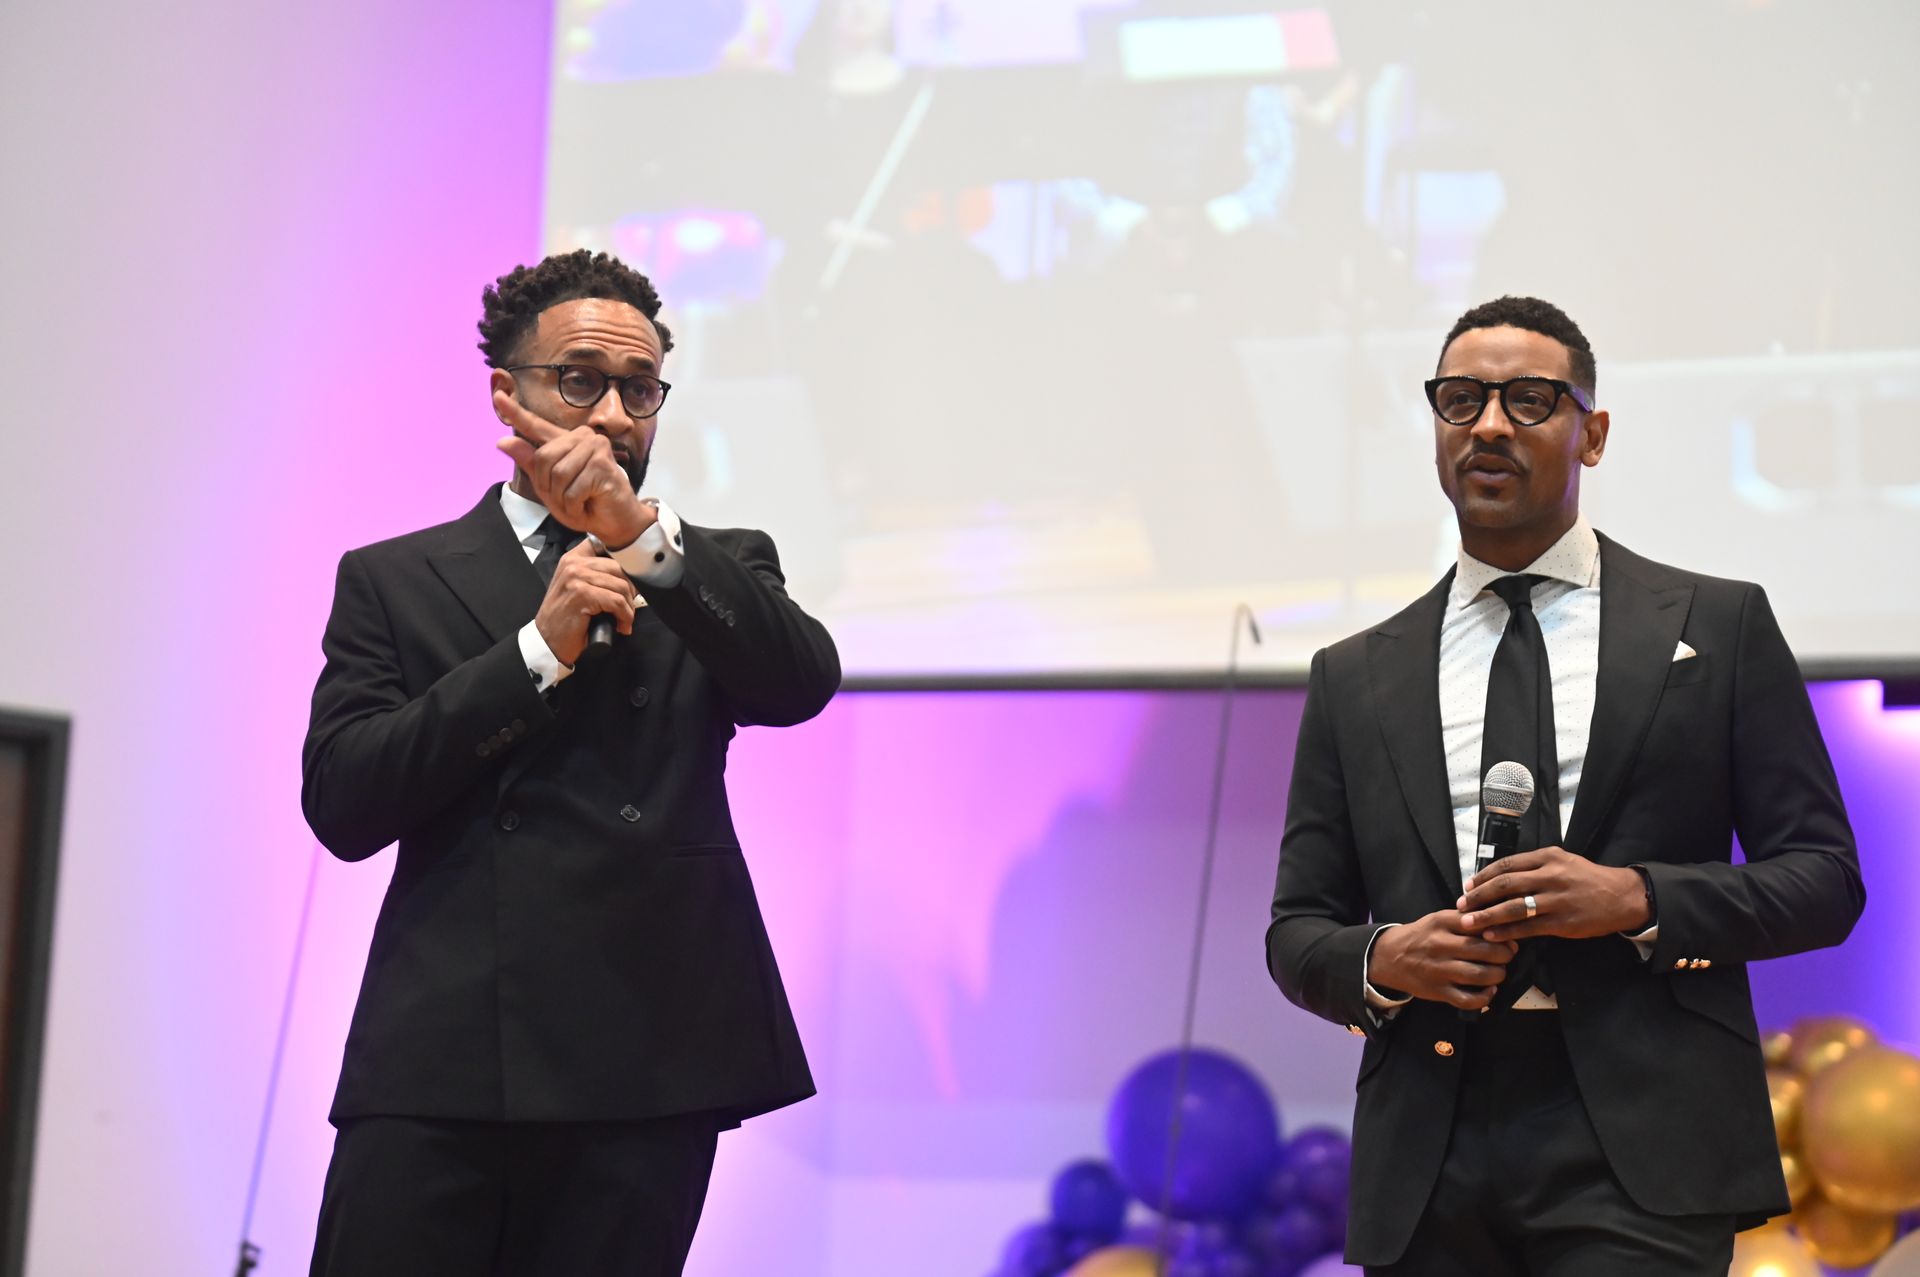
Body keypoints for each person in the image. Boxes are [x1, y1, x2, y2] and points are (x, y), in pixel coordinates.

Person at [1265, 295, 1864, 1274]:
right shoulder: (1356, 673)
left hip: (1645, 1140)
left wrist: (1638, 899)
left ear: (1593, 433)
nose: (1490, 425)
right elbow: (1297, 928)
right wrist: (1388, 956)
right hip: (1429, 1149)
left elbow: (1825, 878)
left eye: (1530, 399)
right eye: (1461, 400)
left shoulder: (1716, 627)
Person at [300, 249, 839, 1276]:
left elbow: (798, 683)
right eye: (580, 380)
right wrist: (531, 656)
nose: (614, 416)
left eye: (640, 388)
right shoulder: (395, 578)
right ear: (507, 393)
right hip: (445, 1050)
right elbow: (345, 800)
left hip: (649, 1050)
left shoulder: (712, 566)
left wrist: (640, 541)